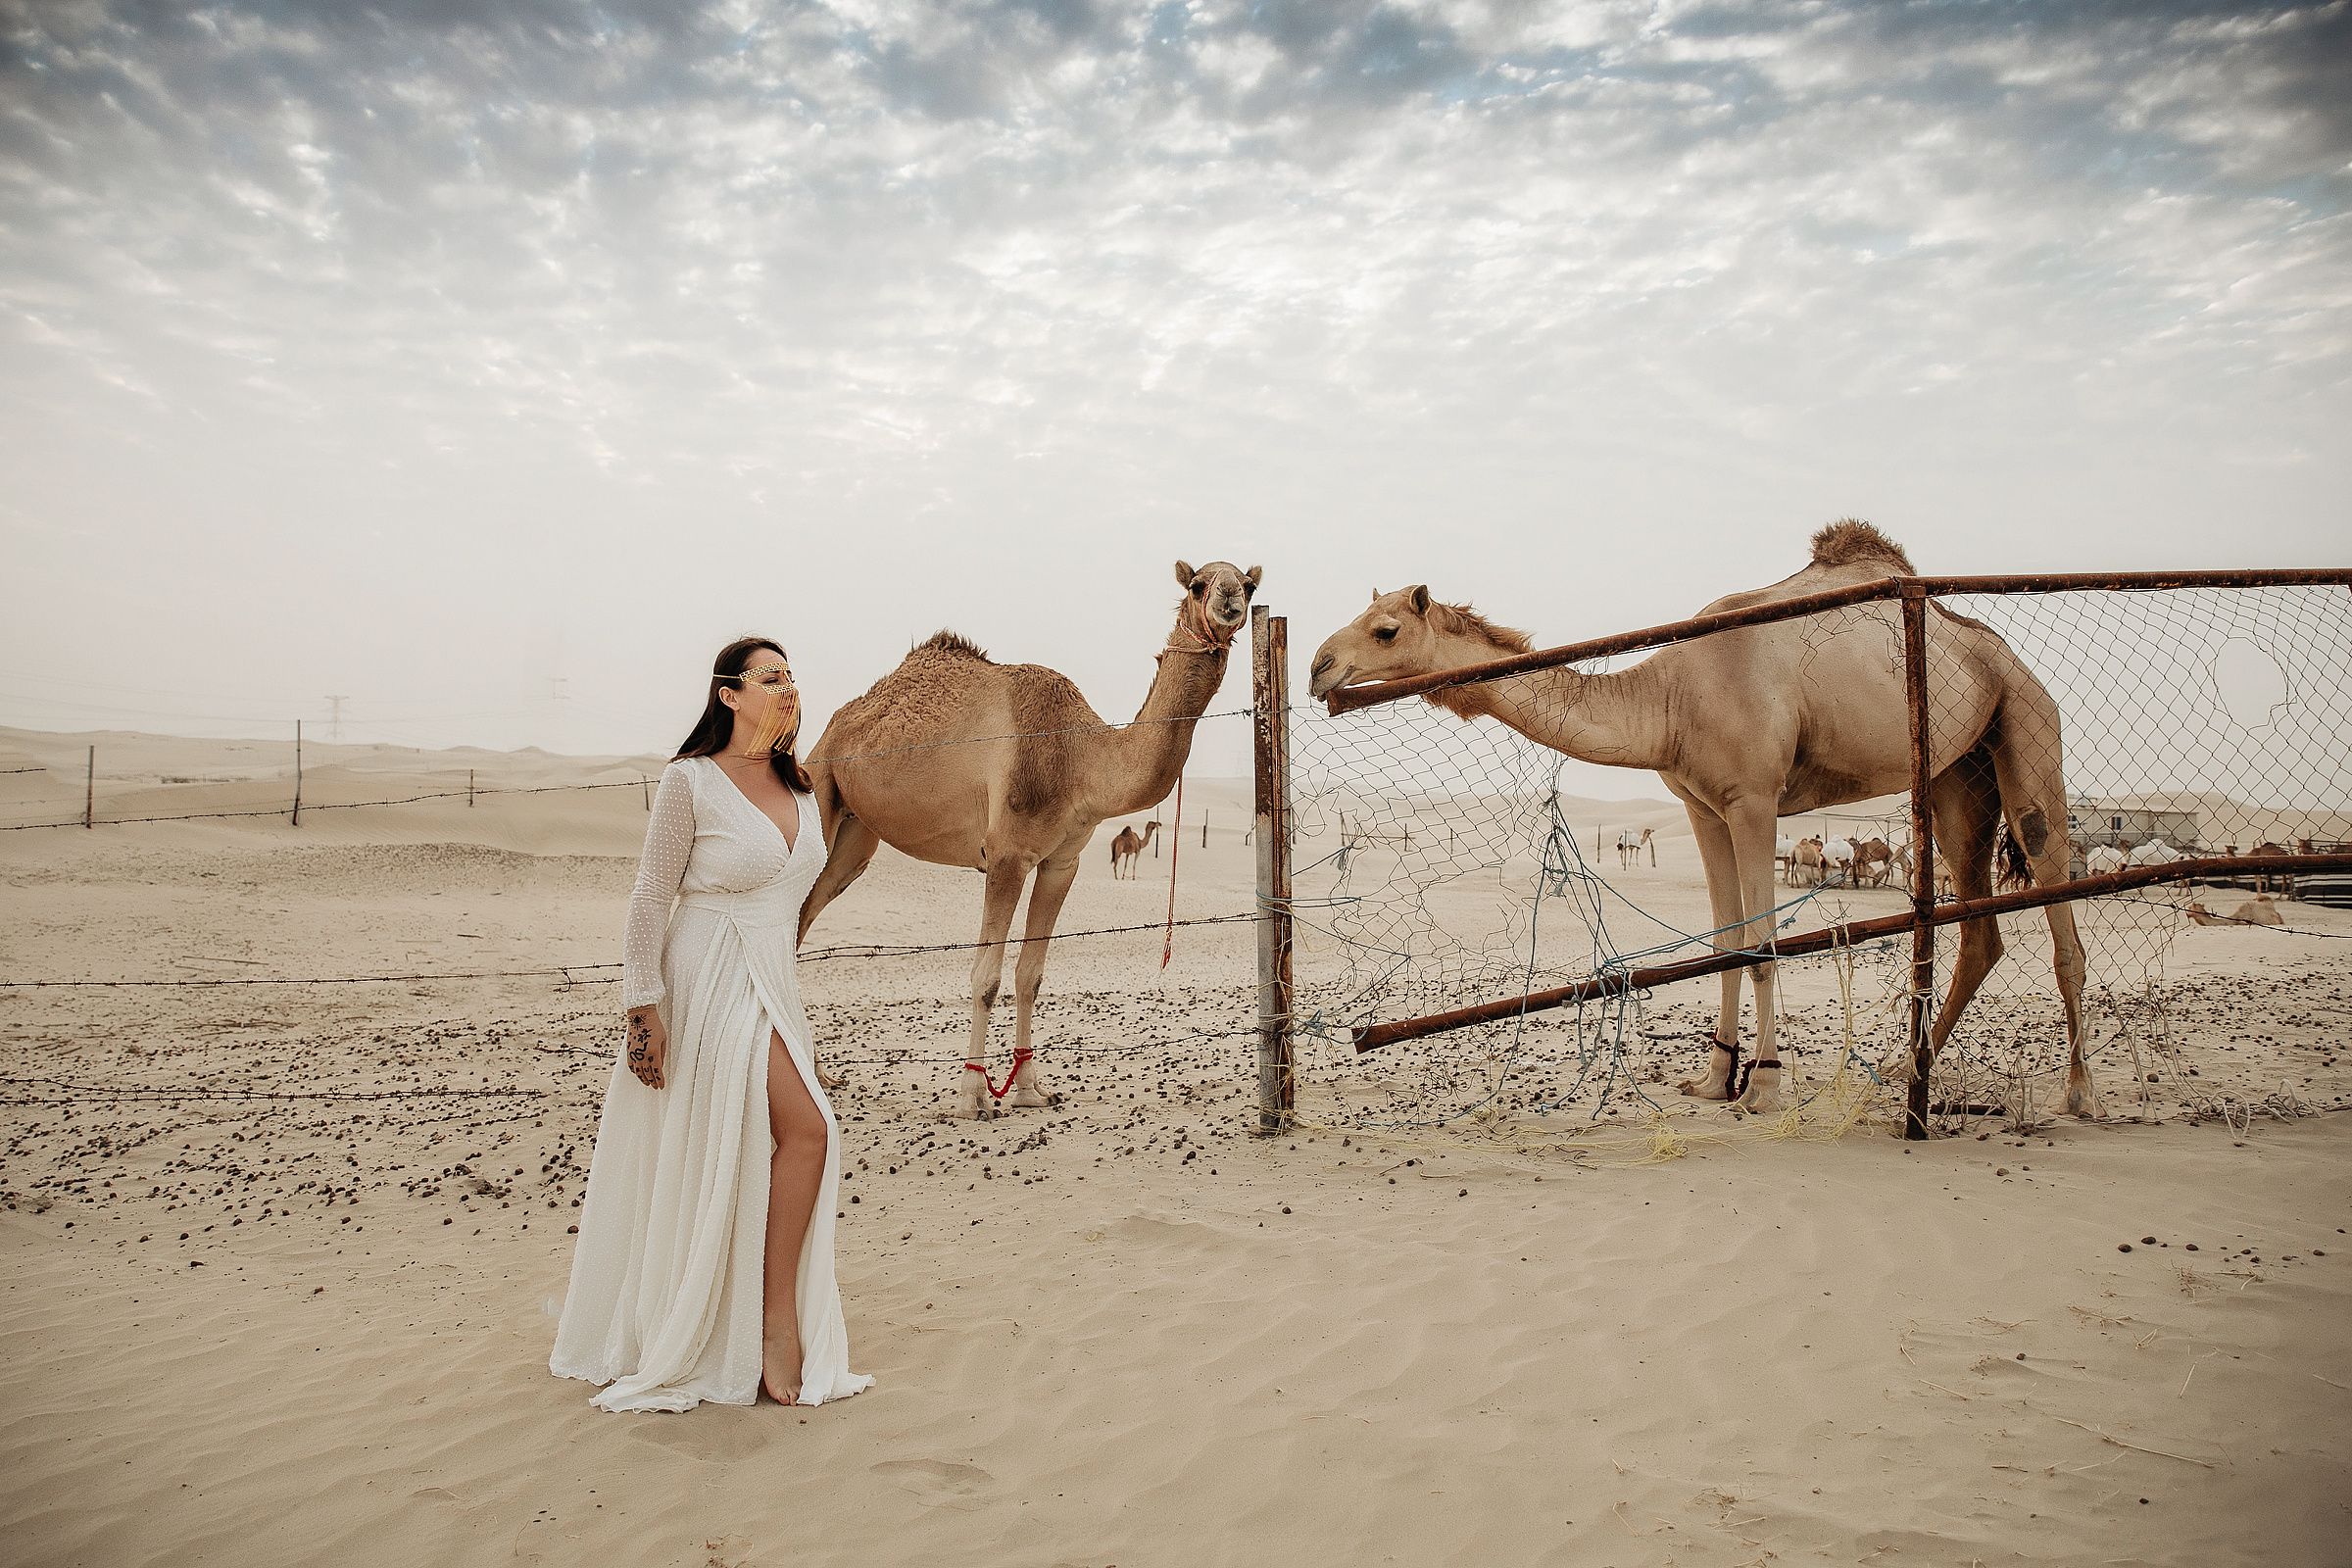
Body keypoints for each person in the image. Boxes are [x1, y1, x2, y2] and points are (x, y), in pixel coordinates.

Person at [551, 637, 871, 1412]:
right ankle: (770, 1326)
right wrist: (643, 1008)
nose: (788, 688)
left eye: (792, 675)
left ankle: (741, 1316)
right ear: (728, 695)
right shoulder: (690, 781)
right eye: (770, 677)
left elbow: (792, 900)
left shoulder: (801, 788)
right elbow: (649, 899)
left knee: (766, 1140)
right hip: (704, 975)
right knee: (811, 1129)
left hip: (769, 978)